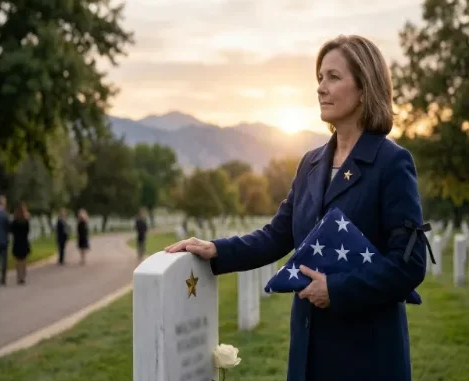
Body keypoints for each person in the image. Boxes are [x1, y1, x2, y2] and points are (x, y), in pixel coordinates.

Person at [165, 35, 429, 381]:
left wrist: (336, 290)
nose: (321, 88)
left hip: (367, 355)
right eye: (319, 78)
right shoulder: (311, 163)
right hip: (308, 353)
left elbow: (409, 265)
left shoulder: (392, 163)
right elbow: (277, 235)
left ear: (365, 88)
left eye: (333, 77)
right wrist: (216, 250)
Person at [11, 202, 31, 284]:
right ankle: (23, 276)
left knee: (18, 261)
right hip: (24, 242)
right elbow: (28, 231)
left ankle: (19, 276)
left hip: (17, 242)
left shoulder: (15, 221)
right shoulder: (26, 221)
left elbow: (12, 231)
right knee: (24, 261)